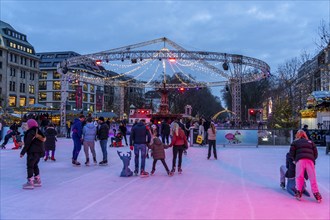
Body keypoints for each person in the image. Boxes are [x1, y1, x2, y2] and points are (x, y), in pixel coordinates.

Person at [289, 130, 322, 202]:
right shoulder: (311, 142)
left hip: (300, 160)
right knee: (312, 177)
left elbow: (291, 153)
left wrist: (295, 160)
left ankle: (299, 192)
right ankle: (316, 194)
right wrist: (312, 158)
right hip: (310, 160)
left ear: (297, 135)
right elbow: (315, 153)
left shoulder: (295, 142)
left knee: (299, 177)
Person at [19, 119, 46, 189]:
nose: (27, 126)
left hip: (32, 152)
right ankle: (37, 180)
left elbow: (27, 143)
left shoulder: (31, 132)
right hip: (39, 152)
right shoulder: (38, 131)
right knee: (35, 165)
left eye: (27, 125)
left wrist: (22, 152)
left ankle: (30, 182)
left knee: (30, 166)